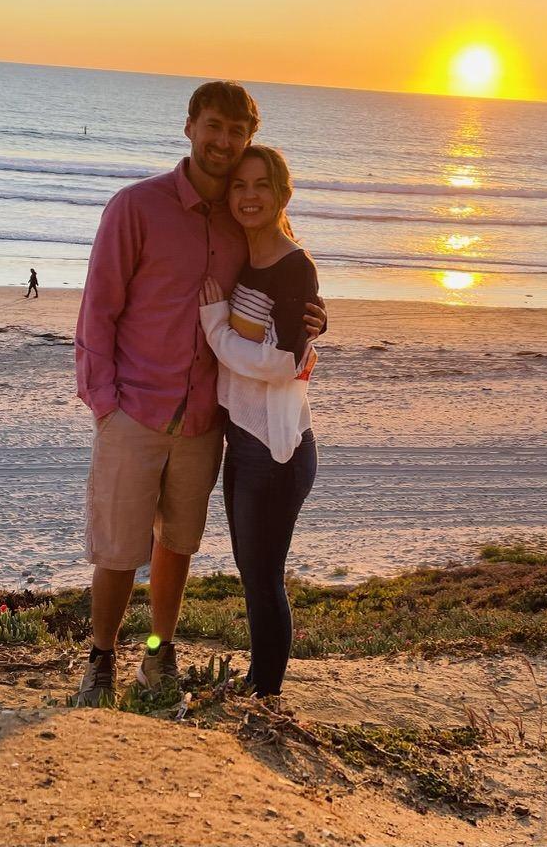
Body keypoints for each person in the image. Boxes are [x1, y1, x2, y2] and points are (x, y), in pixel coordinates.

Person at [73, 82, 327, 706]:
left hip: (206, 420)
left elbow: (279, 291)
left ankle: (156, 656)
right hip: (133, 409)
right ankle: (101, 662)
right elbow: (98, 310)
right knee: (118, 550)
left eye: (237, 132)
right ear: (190, 126)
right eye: (213, 126)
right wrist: (103, 401)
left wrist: (310, 322)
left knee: (177, 546)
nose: (223, 141)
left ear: (249, 139)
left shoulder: (243, 220)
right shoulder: (136, 207)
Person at [199, 145, 320, 699]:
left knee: (263, 577)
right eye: (239, 185)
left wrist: (215, 328)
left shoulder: (294, 265)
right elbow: (292, 346)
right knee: (252, 572)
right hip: (243, 439)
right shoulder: (245, 256)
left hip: (276, 450)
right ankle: (258, 685)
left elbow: (283, 363)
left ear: (282, 194)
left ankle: (265, 694)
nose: (249, 196)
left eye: (261, 185)